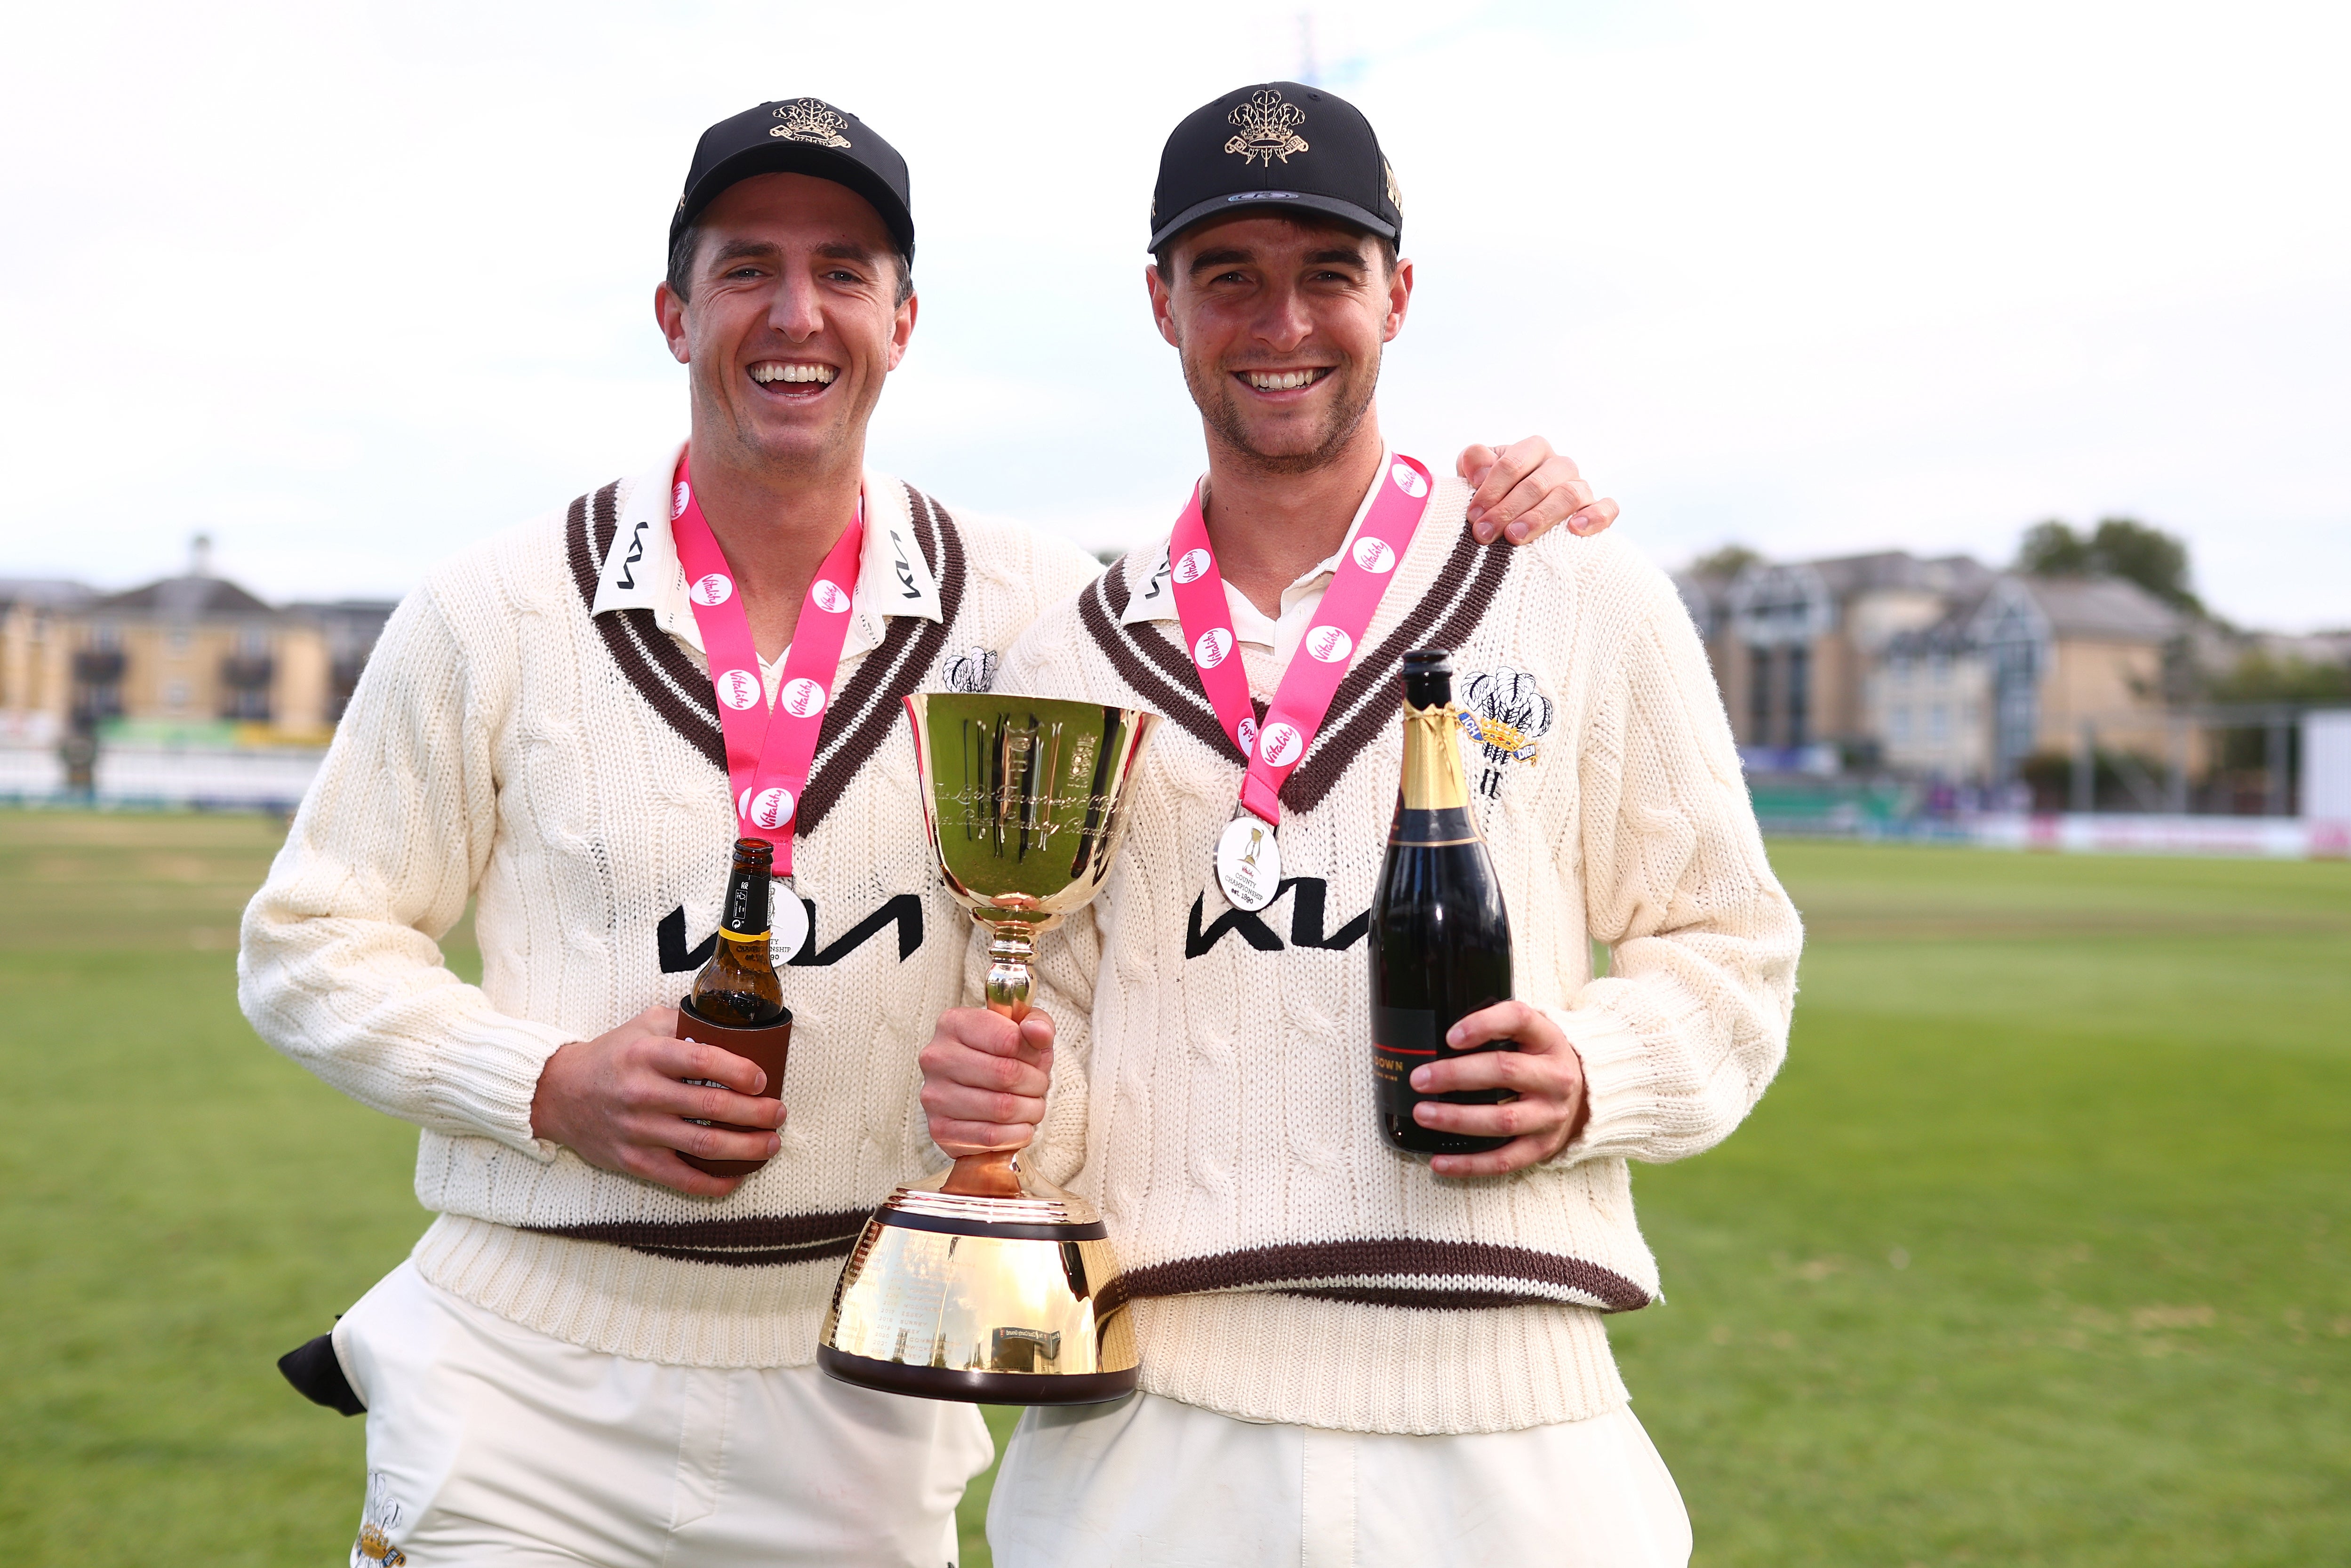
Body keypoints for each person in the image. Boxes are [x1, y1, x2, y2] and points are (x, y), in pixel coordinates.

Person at [239, 94, 1613, 1568]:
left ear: (902, 322)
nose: (796, 314)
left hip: (870, 1391)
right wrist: (546, 1084)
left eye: (843, 272)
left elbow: (1266, 609)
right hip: (522, 1371)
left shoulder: (1033, 610)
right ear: (673, 312)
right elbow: (309, 943)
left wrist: (1500, 507)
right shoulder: (499, 605)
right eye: (747, 268)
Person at [916, 83, 1805, 1567]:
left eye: (1327, 273)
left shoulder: (1574, 585)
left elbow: (1731, 949)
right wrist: (1007, 1101)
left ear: (1395, 294)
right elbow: (1047, 1032)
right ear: (1160, 303)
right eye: (1228, 277)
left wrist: (1592, 1071)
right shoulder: (1071, 656)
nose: (1281, 323)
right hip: (1153, 1438)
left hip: (1510, 1436)